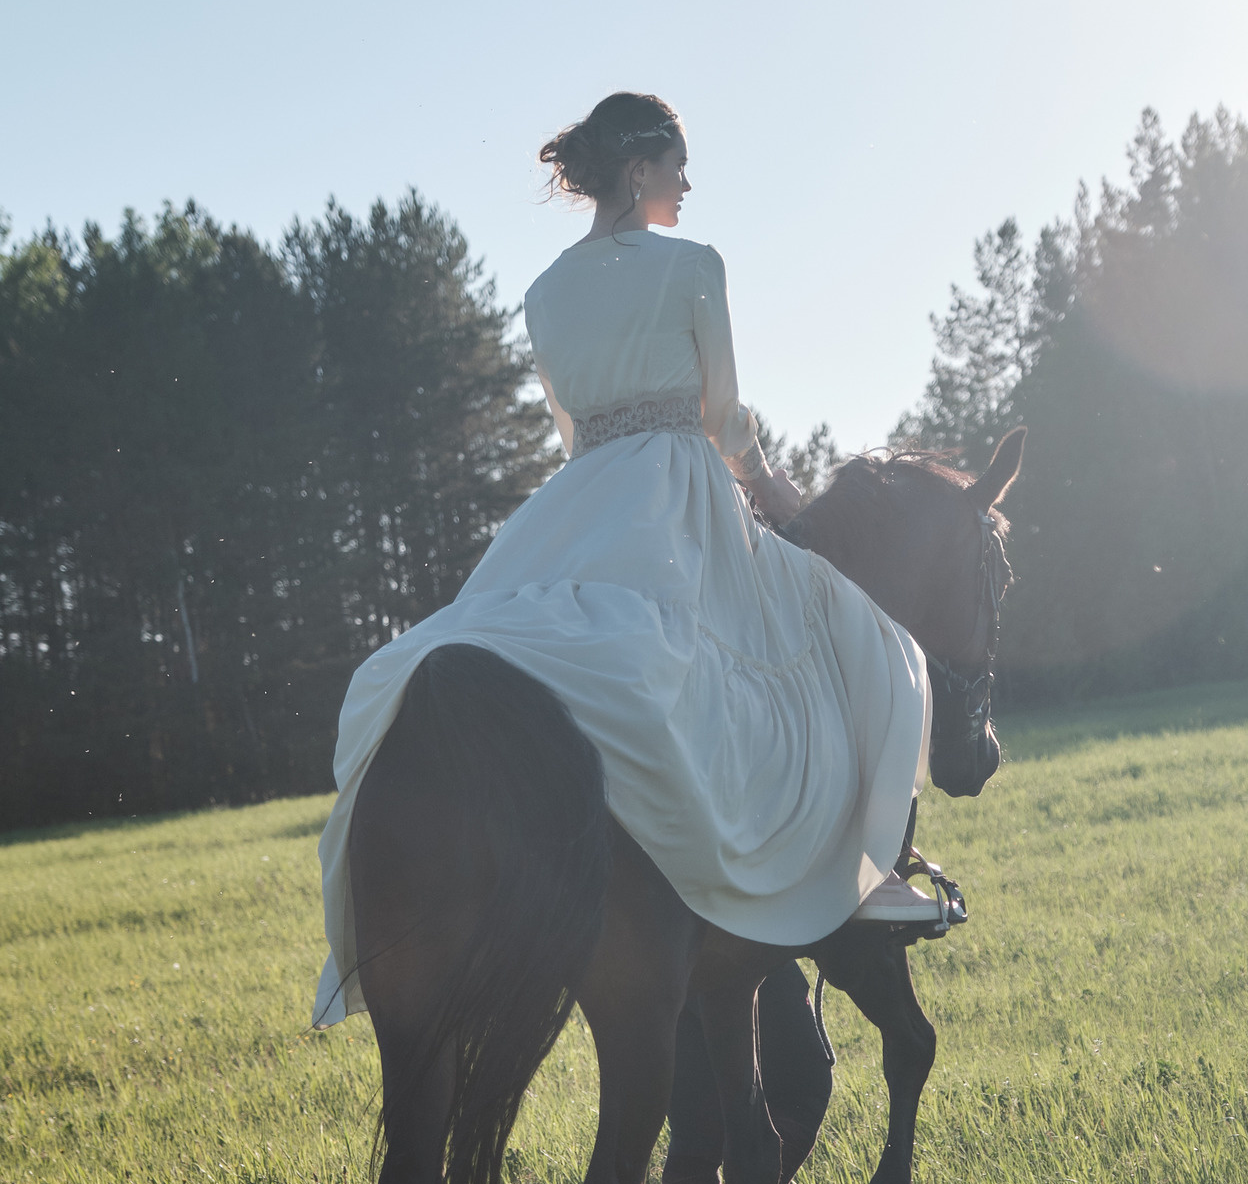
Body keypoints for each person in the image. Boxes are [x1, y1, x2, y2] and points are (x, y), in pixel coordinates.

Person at [314, 92, 935, 1028]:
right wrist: (785, 505)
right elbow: (724, 421)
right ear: (640, 168)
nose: (688, 182)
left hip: (582, 498)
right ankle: (863, 875)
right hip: (681, 491)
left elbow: (575, 426)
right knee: (852, 633)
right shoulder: (695, 264)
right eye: (678, 163)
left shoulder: (544, 293)